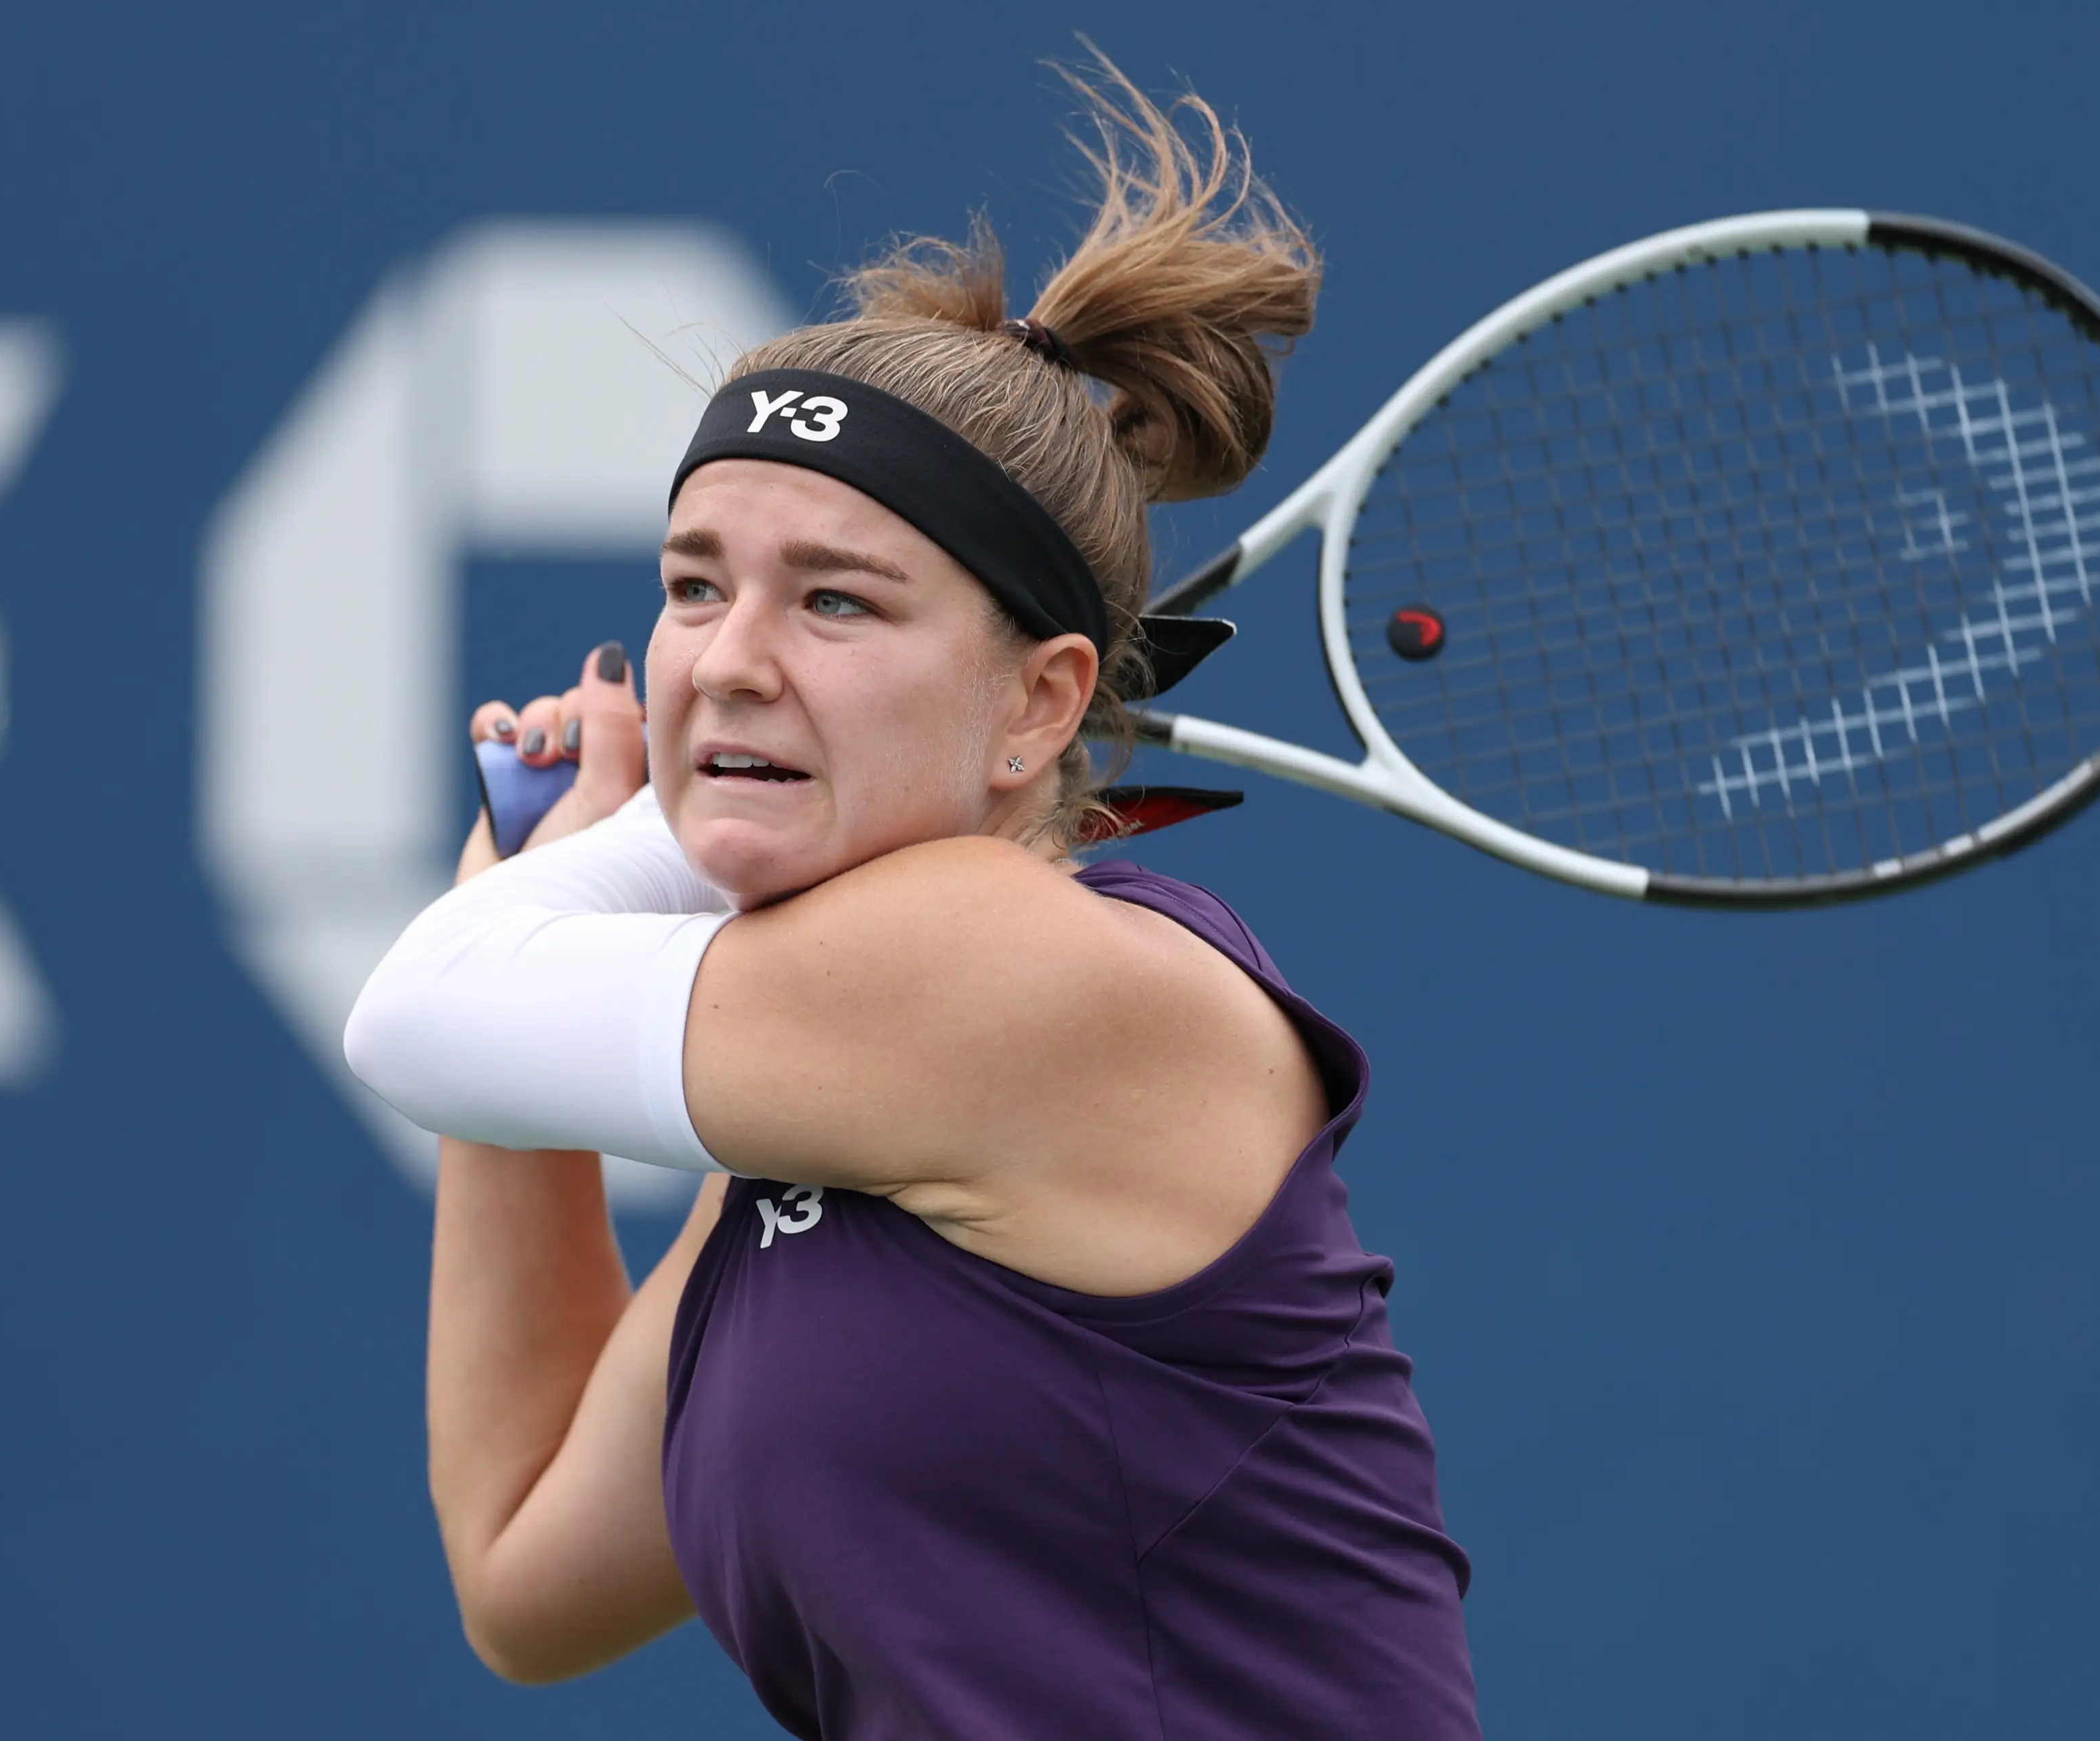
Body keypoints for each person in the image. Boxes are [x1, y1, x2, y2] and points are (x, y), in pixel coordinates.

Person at [344, 56, 1479, 1740]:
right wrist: (528, 888)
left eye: (839, 603)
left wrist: (609, 847)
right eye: (693, 586)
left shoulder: (1003, 972)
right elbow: (525, 1566)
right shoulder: (827, 1113)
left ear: (1040, 704)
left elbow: (420, 1011)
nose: (727, 661)